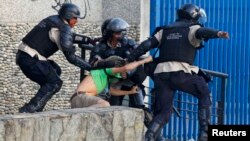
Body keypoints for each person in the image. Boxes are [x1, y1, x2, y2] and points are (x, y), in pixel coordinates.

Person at [126, 4, 230, 141]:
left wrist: (129, 58)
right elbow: (202, 32)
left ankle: (149, 137)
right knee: (204, 93)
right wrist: (217, 33)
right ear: (194, 16)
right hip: (181, 73)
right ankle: (204, 134)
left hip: (161, 76)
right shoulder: (193, 28)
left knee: (163, 112)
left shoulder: (165, 30)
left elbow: (146, 45)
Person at [15, 3, 121, 113]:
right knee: (54, 83)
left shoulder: (54, 20)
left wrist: (89, 40)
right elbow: (71, 57)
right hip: (30, 59)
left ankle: (37, 106)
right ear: (68, 16)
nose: (76, 21)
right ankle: (30, 109)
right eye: (75, 18)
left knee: (56, 71)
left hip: (25, 57)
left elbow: (70, 36)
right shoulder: (63, 27)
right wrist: (91, 67)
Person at [89, 18, 147, 110]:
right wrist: (108, 63)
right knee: (114, 108)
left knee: (139, 108)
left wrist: (127, 68)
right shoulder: (100, 47)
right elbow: (93, 64)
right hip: (112, 84)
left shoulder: (129, 44)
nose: (119, 35)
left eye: (121, 32)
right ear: (108, 33)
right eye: (116, 33)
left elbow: (141, 57)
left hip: (131, 81)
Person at [70, 55, 153, 108]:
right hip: (79, 97)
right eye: (121, 71)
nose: (123, 75)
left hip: (82, 101)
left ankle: (83, 115)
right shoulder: (103, 71)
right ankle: (82, 115)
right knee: (105, 104)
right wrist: (144, 61)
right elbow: (127, 68)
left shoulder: (105, 79)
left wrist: (130, 92)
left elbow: (113, 91)